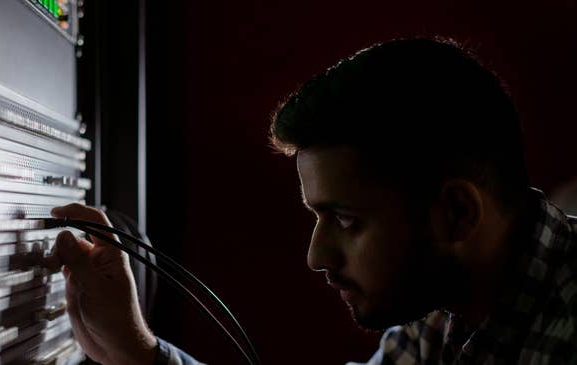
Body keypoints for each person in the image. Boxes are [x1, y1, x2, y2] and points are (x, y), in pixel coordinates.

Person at [43, 38, 577, 364]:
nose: (317, 256)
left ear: (458, 213)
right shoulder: (443, 312)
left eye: (347, 219)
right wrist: (136, 351)